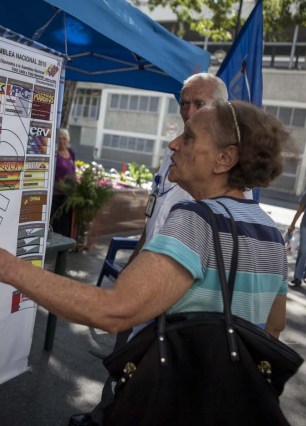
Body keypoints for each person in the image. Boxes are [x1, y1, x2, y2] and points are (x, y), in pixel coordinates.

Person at [0, 100, 292, 423]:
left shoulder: (197, 219)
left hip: (170, 405)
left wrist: (3, 265)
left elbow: (114, 310)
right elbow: (273, 327)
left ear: (224, 158)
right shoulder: (271, 233)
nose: (174, 144)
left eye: (189, 137)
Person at [70, 72, 231, 426]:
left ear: (222, 108)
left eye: (199, 103)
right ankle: (103, 416)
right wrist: (133, 263)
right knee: (123, 360)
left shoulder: (223, 169)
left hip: (178, 299)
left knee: (153, 384)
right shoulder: (172, 155)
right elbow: (153, 215)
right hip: (145, 276)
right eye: (184, 102)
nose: (188, 110)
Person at [50, 128, 76, 237]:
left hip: (67, 195)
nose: (62, 141)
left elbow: (73, 170)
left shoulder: (71, 153)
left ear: (68, 140)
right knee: (56, 221)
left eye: (64, 139)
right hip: (56, 194)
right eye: (59, 139)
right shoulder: (55, 154)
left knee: (65, 222)